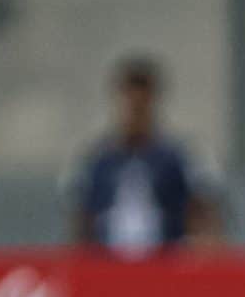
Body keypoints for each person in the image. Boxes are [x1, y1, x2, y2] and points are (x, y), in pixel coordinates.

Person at [66, 55, 223, 258]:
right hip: (107, 267)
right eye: (130, 104)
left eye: (141, 105)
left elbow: (204, 214)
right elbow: (81, 219)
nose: (135, 113)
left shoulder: (180, 157)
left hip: (164, 266)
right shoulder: (97, 160)